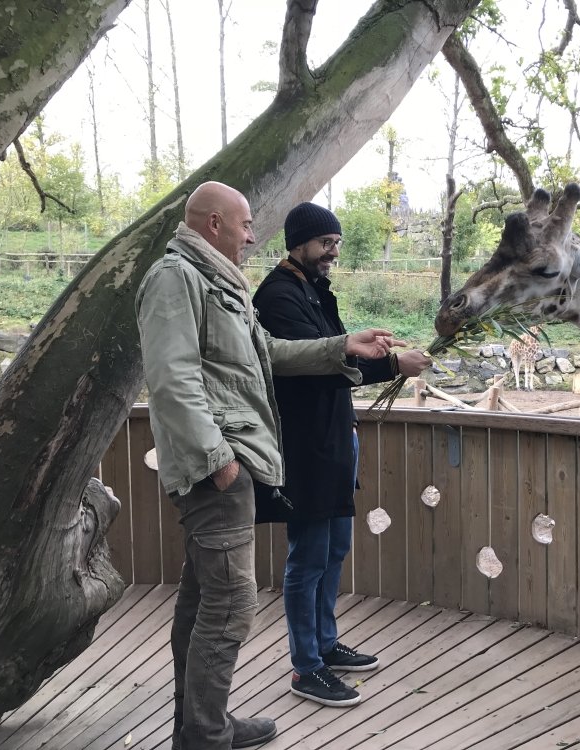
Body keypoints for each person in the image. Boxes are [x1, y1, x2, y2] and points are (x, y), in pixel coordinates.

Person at [135, 182, 401, 749]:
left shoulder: (220, 284)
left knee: (202, 600)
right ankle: (205, 736)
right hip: (218, 466)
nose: (254, 235)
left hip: (236, 459)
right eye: (246, 224)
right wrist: (218, 459)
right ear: (213, 224)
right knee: (231, 604)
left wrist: (343, 345)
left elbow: (272, 353)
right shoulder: (174, 278)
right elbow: (172, 377)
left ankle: (201, 724)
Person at [253, 202, 431, 707]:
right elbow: (319, 364)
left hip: (334, 438)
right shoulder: (278, 295)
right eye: (325, 242)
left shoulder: (314, 290)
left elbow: (339, 350)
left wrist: (370, 348)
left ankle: (326, 645)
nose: (334, 250)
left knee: (333, 549)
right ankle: (305, 667)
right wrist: (395, 363)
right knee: (306, 556)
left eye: (337, 241)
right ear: (299, 242)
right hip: (303, 444)